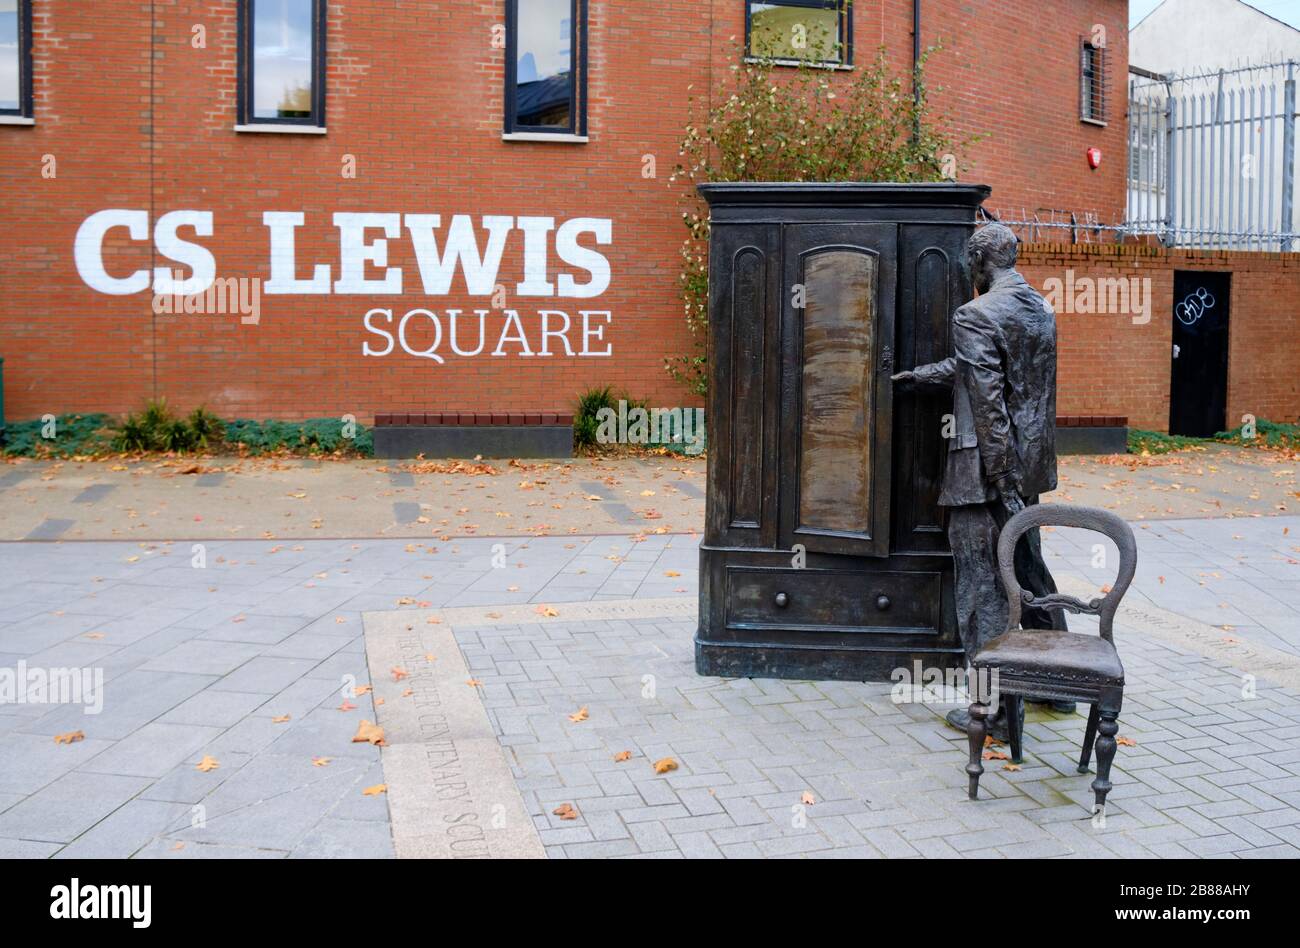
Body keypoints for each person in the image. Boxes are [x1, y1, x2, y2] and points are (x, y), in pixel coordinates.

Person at [891, 222, 1072, 740]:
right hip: (1027, 466)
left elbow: (989, 406)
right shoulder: (1040, 307)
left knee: (980, 588)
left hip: (983, 473)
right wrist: (916, 377)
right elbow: (983, 371)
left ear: (977, 263)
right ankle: (1057, 686)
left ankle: (991, 711)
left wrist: (1000, 478)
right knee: (1030, 570)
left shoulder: (974, 313)